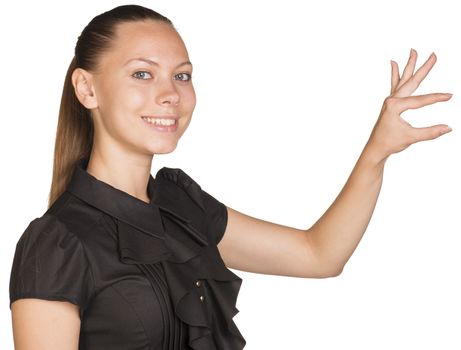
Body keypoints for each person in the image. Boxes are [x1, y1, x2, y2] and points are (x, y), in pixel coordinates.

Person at [8, 4, 453, 350]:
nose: (170, 95)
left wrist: (377, 151)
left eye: (181, 76)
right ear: (87, 88)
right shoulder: (57, 243)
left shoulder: (181, 207)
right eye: (142, 74)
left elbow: (319, 255)